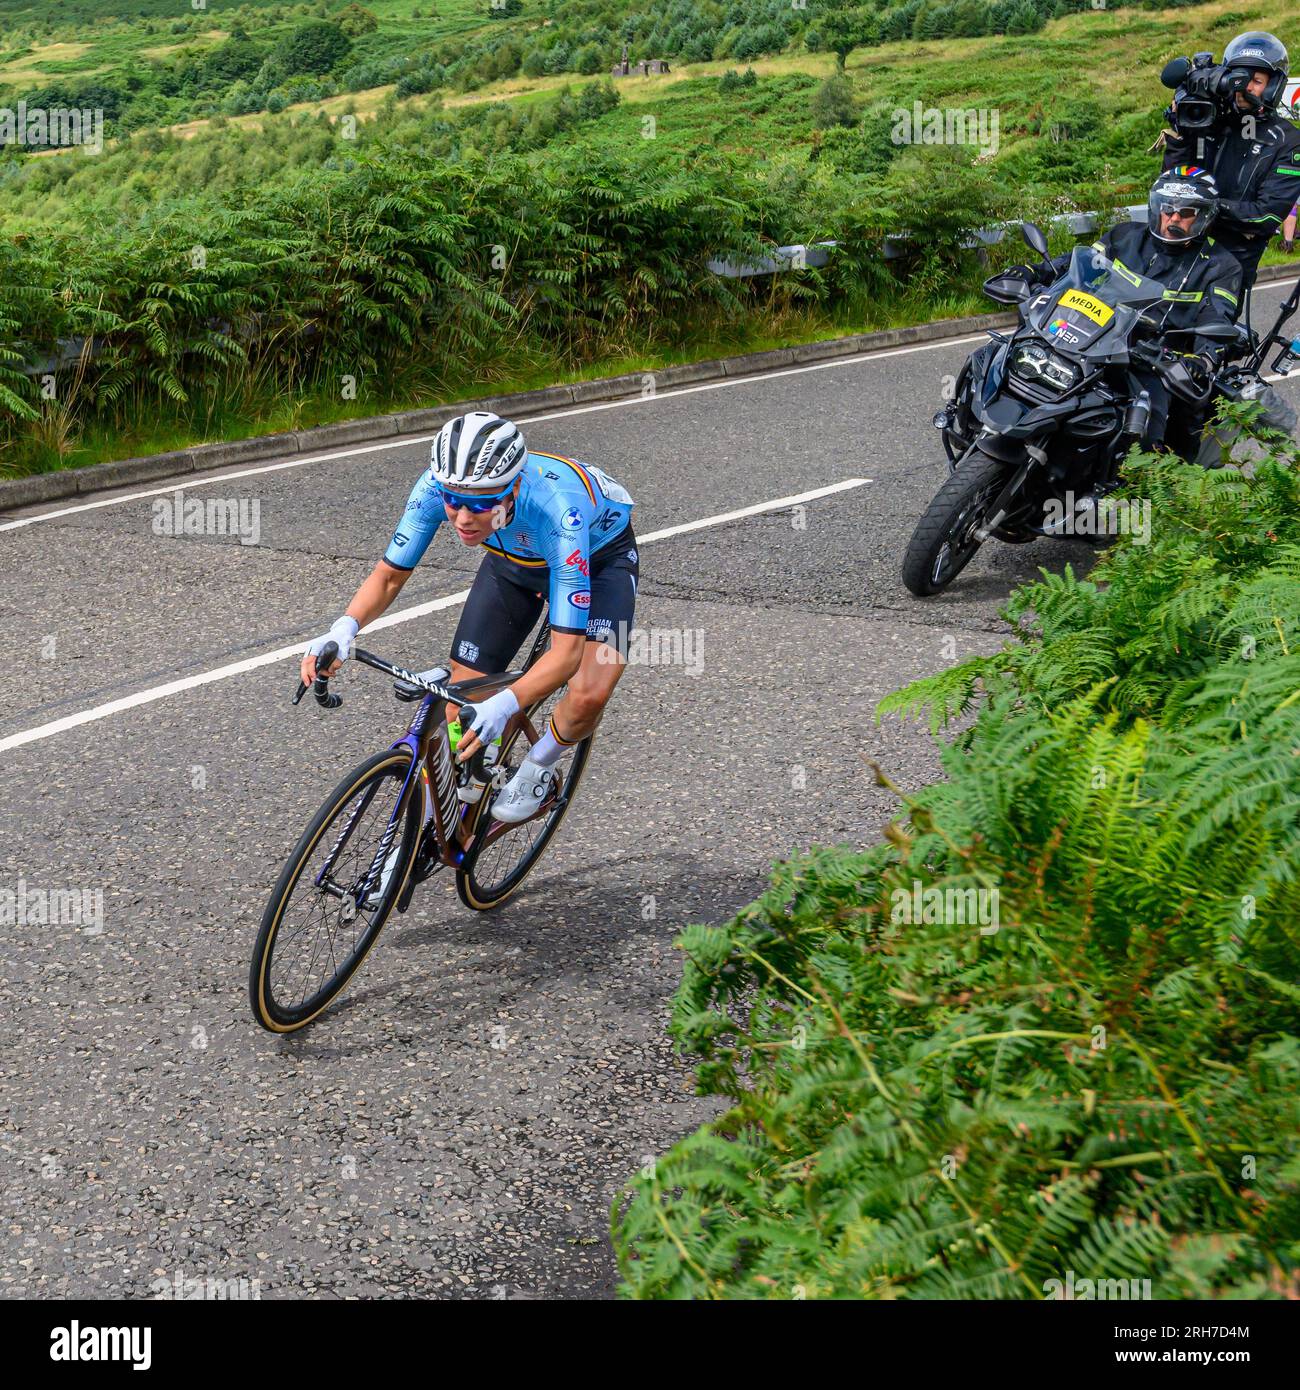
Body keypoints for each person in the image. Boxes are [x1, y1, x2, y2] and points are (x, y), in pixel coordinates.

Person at [302, 411, 638, 824]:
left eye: (480, 503)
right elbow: (389, 576)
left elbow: (566, 654)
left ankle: (538, 767)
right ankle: (442, 812)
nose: (463, 518)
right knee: (459, 703)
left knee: (589, 691)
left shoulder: (558, 511)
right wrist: (344, 627)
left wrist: (506, 703)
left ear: (513, 487)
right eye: (454, 501)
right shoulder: (433, 487)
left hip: (600, 559)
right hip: (511, 562)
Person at [1002, 168, 1241, 451]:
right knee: (1008, 352)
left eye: (1185, 212)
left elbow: (1218, 317)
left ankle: (1133, 485)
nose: (1174, 218)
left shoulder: (1221, 265)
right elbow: (1078, 265)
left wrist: (1202, 360)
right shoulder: (1125, 235)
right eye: (1168, 209)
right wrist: (1035, 271)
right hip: (1091, 338)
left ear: (1204, 216)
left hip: (1149, 360)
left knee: (1149, 424)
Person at [1161, 32, 1300, 290]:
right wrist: (1181, 136)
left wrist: (1206, 207)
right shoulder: (1208, 121)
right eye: (1237, 78)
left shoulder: (1289, 140)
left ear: (1272, 86)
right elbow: (1170, 184)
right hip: (1177, 248)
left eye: (1256, 81)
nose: (1244, 87)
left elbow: (1266, 215)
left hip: (1230, 265)